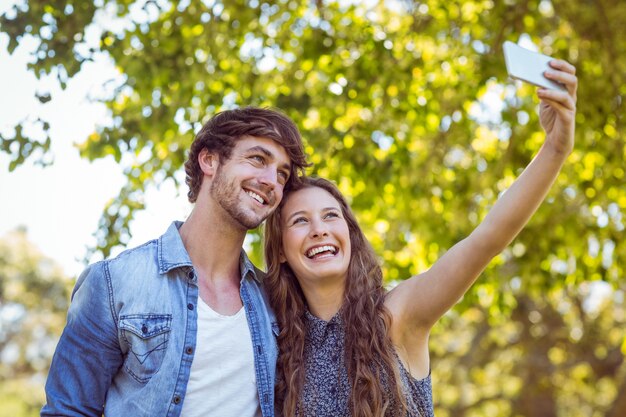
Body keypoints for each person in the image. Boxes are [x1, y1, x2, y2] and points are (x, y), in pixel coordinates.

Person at [263, 59, 577, 416]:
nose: (319, 228)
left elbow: (486, 239)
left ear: (350, 236)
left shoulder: (398, 315)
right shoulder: (279, 346)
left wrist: (555, 149)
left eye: (331, 215)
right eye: (300, 221)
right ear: (281, 251)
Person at [41, 106, 309, 417]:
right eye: (258, 159)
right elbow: (68, 410)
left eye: (282, 174)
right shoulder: (115, 282)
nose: (271, 181)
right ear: (209, 160)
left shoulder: (275, 298)